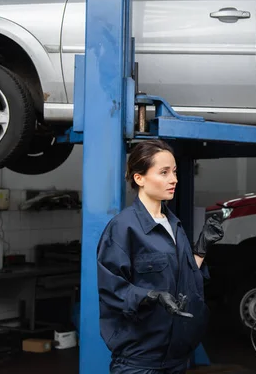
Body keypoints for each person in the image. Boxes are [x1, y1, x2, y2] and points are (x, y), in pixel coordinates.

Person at [96, 139, 224, 374]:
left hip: (176, 359)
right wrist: (151, 296)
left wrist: (201, 248)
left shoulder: (173, 224)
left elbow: (185, 279)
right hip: (139, 362)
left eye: (174, 172)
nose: (173, 179)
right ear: (139, 178)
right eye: (164, 172)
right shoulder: (123, 228)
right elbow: (112, 290)